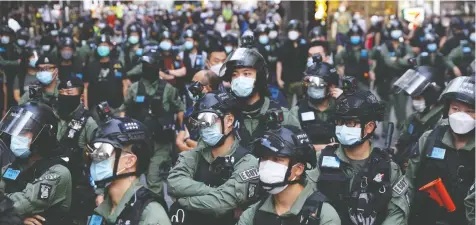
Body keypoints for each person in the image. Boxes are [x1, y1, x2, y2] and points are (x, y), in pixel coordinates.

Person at [315, 90, 410, 225]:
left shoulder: (389, 168)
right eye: (339, 122)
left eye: (350, 123)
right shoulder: (322, 160)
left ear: (369, 127)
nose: (342, 128)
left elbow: (397, 212)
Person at [167, 91, 259, 225]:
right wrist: (214, 192)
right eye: (200, 121)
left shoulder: (246, 161)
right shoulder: (196, 153)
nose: (204, 127)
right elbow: (174, 183)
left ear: (229, 121)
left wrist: (183, 200)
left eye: (208, 120)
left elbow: (220, 204)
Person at [237, 125, 341, 225]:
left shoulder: (323, 215)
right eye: (264, 158)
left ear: (298, 169)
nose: (267, 165)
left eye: (277, 159)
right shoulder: (253, 213)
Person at [406, 76, 475, 225]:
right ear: (447, 109)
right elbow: (408, 184)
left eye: (470, 111)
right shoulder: (428, 139)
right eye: (455, 108)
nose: (461, 116)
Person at [122, 48, 184, 198]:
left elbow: (180, 109)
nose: (147, 68)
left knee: (154, 179)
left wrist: (181, 132)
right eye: (145, 65)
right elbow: (125, 110)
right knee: (131, 180)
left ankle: (157, 212)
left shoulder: (168, 89)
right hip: (138, 142)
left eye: (151, 65)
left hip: (160, 143)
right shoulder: (135, 88)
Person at [219, 34, 301, 148]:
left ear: (260, 77)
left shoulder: (283, 116)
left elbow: (301, 154)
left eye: (247, 73)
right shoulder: (224, 115)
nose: (239, 79)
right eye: (234, 74)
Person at [87, 117, 170, 225]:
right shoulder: (103, 209)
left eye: (104, 152)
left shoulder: (151, 214)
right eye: (94, 152)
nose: (96, 159)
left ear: (129, 161)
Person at [0, 101, 72, 224]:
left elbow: (19, 205)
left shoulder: (58, 172)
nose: (15, 137)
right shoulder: (16, 164)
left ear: (42, 136)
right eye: (15, 131)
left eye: (23, 132)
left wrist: (10, 216)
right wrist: (17, 219)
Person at [56, 77, 98, 223]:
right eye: (62, 92)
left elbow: (98, 155)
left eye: (69, 92)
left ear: (80, 96)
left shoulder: (88, 122)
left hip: (77, 181)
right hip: (53, 178)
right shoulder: (55, 116)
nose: (65, 96)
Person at [392, 66, 444, 172]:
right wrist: (393, 150)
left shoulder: (441, 120)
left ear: (430, 96)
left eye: (418, 98)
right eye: (413, 98)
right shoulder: (415, 117)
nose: (415, 102)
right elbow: (403, 140)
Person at [294, 55, 341, 152]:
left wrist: (348, 99)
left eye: (318, 84)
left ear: (332, 86)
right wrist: (326, 147)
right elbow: (294, 144)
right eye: (309, 83)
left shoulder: (342, 107)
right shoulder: (298, 110)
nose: (313, 87)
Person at [376, 19, 414, 134]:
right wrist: (403, 61)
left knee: (401, 109)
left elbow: (411, 60)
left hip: (402, 81)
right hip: (386, 81)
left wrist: (397, 60)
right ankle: (385, 131)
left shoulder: (405, 46)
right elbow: (388, 62)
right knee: (386, 108)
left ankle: (402, 130)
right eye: (394, 30)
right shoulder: (385, 46)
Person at [177, 69, 221, 152]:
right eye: (191, 83)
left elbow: (210, 148)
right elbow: (179, 142)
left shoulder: (216, 111)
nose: (190, 87)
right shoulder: (192, 109)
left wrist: (187, 140)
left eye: (195, 84)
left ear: (207, 87)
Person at [84, 34, 125, 116]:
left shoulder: (117, 64)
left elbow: (124, 84)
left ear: (111, 47)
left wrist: (124, 107)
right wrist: (86, 108)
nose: (103, 47)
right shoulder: (91, 65)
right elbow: (85, 87)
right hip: (96, 107)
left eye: (105, 45)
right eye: (100, 45)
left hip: (115, 106)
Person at [276, 19, 308, 107]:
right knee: (287, 106)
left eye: (295, 31)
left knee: (302, 105)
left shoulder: (304, 46)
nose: (293, 33)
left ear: (300, 33)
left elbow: (307, 62)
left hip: (300, 81)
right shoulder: (284, 46)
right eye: (291, 31)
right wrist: (279, 79)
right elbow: (279, 63)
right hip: (287, 82)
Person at [335, 25, 373, 90]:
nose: (355, 37)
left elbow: (371, 61)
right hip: (349, 80)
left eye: (357, 35)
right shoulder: (345, 51)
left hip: (363, 81)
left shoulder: (365, 50)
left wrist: (371, 71)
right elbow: (337, 60)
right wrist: (339, 68)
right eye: (353, 35)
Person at [0, 25, 21, 108]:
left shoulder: (12, 45)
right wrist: (17, 62)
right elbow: (3, 63)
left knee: (14, 96)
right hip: (2, 75)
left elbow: (21, 54)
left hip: (13, 75)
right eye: (2, 35)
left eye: (6, 35)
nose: (4, 37)